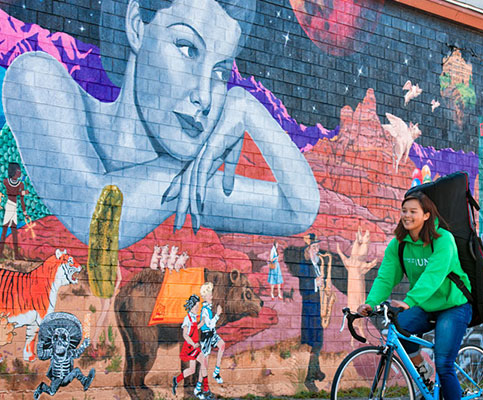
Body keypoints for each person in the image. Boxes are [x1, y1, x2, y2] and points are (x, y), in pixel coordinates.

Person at [2, 0, 319, 249]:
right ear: (137, 26)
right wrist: (189, 172)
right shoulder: (38, 81)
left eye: (220, 72)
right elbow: (97, 219)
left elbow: (300, 210)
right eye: (187, 48)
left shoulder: (181, 186)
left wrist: (247, 107)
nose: (205, 96)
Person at [357, 191, 472, 400]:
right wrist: (371, 304)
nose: (406, 215)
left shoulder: (443, 240)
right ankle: (424, 373)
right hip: (426, 306)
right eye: (404, 211)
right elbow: (385, 277)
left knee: (444, 364)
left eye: (413, 211)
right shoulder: (399, 244)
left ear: (427, 215)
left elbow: (433, 276)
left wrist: (409, 301)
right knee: (398, 330)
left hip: (453, 305)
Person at [298, 233, 325, 392]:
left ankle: (316, 371)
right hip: (309, 309)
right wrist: (316, 282)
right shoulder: (304, 264)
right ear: (308, 249)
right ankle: (309, 379)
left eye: (318, 247)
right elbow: (303, 288)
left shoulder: (316, 264)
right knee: (315, 342)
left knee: (318, 341)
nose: (317, 250)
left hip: (316, 307)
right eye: (314, 247)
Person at [195, 282, 225, 398]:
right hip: (207, 336)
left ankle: (216, 371)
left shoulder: (208, 308)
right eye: (209, 294)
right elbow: (210, 324)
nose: (211, 296)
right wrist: (217, 315)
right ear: (205, 296)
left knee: (222, 345)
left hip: (212, 334)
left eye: (211, 294)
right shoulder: (204, 311)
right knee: (204, 364)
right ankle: (199, 388)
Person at [172, 294, 203, 397]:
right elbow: (185, 334)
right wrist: (193, 343)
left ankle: (176, 379)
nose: (198, 309)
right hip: (190, 347)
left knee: (193, 369)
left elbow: (195, 328)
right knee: (203, 363)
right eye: (196, 307)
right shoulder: (187, 319)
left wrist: (202, 322)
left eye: (199, 307)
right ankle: (200, 388)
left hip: (194, 346)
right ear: (192, 306)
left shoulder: (194, 318)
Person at [0, 162, 29, 259]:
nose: (20, 172)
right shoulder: (8, 182)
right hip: (9, 207)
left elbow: (21, 200)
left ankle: (16, 254)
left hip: (13, 208)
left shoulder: (18, 184)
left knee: (13, 230)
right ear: (13, 171)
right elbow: (19, 194)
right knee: (5, 229)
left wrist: (25, 213)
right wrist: (23, 192)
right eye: (18, 170)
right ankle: (1, 252)